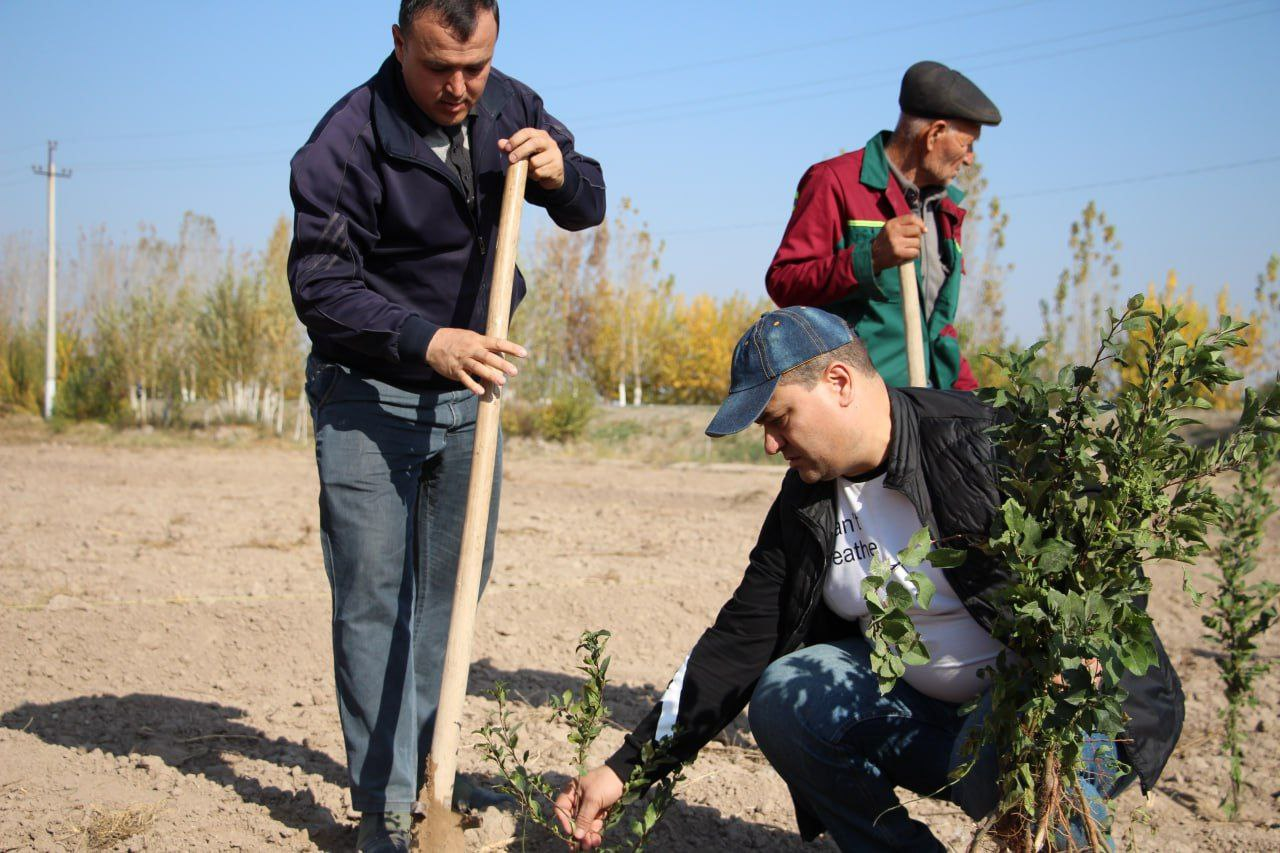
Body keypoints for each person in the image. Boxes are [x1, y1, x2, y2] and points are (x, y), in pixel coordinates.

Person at [555, 307, 1184, 851]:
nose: (771, 445)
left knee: (1047, 705)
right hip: (934, 728)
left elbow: (1104, 570)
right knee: (785, 693)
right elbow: (741, 640)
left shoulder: (984, 443)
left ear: (838, 382)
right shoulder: (806, 501)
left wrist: (1067, 668)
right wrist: (625, 768)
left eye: (778, 419)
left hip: (1055, 715)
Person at [286, 1, 605, 849]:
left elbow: (589, 201)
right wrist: (425, 340)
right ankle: (386, 808)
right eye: (438, 68)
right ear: (398, 44)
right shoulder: (345, 139)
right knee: (372, 599)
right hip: (369, 393)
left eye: (477, 65)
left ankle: (435, 769)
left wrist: (558, 172)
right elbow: (319, 283)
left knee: (453, 593)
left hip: (474, 398)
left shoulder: (512, 104)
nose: (460, 87)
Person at [765, 61, 1003, 391]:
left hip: (927, 409)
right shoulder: (834, 182)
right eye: (967, 144)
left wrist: (973, 403)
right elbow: (784, 282)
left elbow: (938, 328)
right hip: (861, 409)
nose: (970, 158)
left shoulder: (944, 211)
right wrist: (870, 258)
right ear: (934, 134)